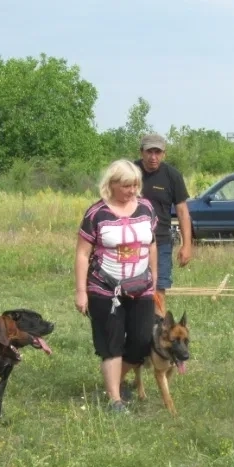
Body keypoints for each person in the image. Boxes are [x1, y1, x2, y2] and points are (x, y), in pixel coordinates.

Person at [75, 160, 158, 413]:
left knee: (142, 342)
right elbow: (81, 254)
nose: (132, 190)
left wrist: (155, 278)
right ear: (110, 185)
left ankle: (115, 382)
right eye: (126, 186)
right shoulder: (96, 214)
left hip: (142, 287)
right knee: (110, 343)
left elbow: (152, 244)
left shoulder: (146, 208)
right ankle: (115, 400)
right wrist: (80, 292)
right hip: (104, 289)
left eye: (135, 185)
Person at [134, 133, 192, 315]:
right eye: (149, 151)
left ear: (164, 154)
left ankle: (158, 332)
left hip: (161, 242)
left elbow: (182, 211)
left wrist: (187, 245)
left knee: (158, 288)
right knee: (130, 288)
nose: (153, 157)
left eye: (158, 152)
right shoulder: (130, 172)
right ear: (141, 152)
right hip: (131, 241)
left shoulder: (172, 176)